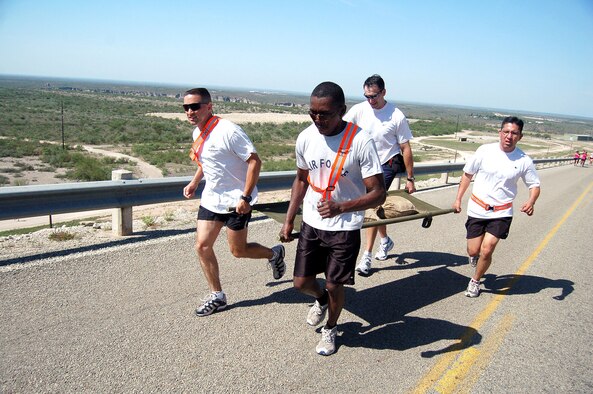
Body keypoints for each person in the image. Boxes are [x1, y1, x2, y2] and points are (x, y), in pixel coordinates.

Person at [279, 82, 386, 356]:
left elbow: (378, 194)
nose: (317, 119)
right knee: (301, 283)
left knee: (334, 282)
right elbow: (301, 180)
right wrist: (290, 219)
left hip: (344, 226)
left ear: (342, 110)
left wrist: (342, 207)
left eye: (324, 114)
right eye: (312, 113)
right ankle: (322, 299)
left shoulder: (360, 141)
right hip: (313, 223)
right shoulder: (306, 137)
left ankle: (331, 327)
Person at [182, 88, 286, 317]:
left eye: (195, 106)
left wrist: (246, 197)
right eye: (186, 107)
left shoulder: (229, 131)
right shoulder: (198, 133)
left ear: (209, 106)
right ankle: (217, 296)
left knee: (238, 251)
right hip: (211, 199)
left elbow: (255, 162)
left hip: (236, 202)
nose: (190, 111)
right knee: (202, 246)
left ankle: (274, 254)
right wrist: (194, 182)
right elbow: (205, 162)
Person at [452, 116, 541, 298]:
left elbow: (534, 185)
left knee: (488, 248)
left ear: (520, 137)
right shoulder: (485, 150)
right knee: (473, 250)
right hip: (477, 208)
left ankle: (475, 281)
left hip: (502, 211)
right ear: (500, 133)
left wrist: (531, 201)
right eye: (506, 132)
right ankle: (476, 258)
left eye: (514, 133)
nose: (509, 136)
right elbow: (467, 174)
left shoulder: (524, 160)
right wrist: (458, 199)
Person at [343, 74, 416, 275]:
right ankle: (385, 240)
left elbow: (405, 148)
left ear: (383, 92)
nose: (370, 100)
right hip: (363, 164)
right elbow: (342, 130)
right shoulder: (359, 110)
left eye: (374, 96)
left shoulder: (396, 116)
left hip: (386, 163)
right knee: (375, 206)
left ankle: (366, 256)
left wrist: (410, 178)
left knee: (371, 203)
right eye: (366, 96)